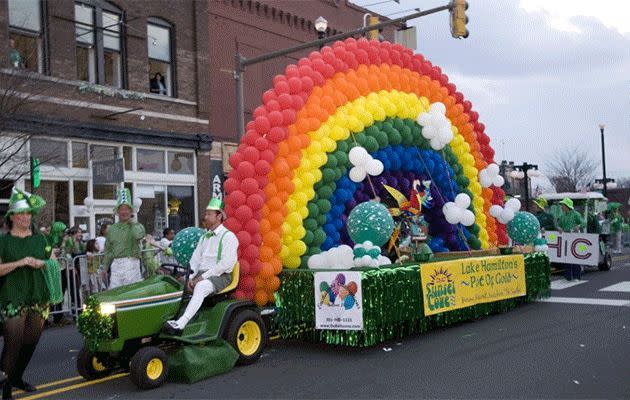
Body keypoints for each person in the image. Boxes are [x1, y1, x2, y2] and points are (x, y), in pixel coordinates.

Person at [0, 188, 59, 399]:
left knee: (30, 342)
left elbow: (54, 262)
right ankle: (5, 387)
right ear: (12, 217)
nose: (26, 217)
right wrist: (20, 263)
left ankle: (17, 377)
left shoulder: (41, 239)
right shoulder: (4, 241)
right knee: (12, 344)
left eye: (28, 213)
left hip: (38, 296)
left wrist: (42, 263)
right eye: (21, 213)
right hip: (12, 296)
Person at [163, 198, 238, 335]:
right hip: (202, 274)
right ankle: (168, 319)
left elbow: (225, 265)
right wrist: (189, 277)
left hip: (220, 276)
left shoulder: (229, 237)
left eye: (209, 214)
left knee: (201, 286)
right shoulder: (204, 237)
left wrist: (200, 278)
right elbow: (195, 260)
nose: (205, 217)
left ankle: (181, 324)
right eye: (206, 214)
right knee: (175, 283)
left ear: (219, 216)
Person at [102, 188, 145, 289]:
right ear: (118, 211)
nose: (124, 212)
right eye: (122, 209)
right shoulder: (112, 229)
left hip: (132, 262)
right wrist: (105, 268)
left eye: (127, 209)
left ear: (131, 211)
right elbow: (108, 249)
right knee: (114, 293)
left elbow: (138, 235)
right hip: (116, 264)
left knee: (131, 293)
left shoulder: (137, 226)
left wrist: (132, 222)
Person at [556, 197, 584, 281]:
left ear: (567, 206)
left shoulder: (576, 214)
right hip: (565, 238)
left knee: (575, 257)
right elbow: (558, 225)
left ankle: (576, 276)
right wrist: (559, 228)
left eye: (563, 205)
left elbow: (583, 223)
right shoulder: (562, 216)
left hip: (575, 238)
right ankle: (567, 277)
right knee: (566, 257)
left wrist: (578, 226)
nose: (561, 207)